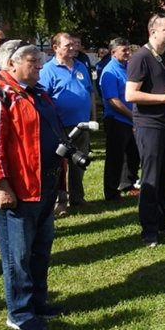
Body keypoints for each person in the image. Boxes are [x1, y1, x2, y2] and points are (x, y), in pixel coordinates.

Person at [0, 40, 65, 330]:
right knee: (18, 254)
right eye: (31, 60)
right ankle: (19, 311)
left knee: (41, 248)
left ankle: (38, 301)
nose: (39, 65)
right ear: (10, 63)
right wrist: (0, 185)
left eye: (39, 60)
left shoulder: (36, 93)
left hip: (44, 183)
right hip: (18, 189)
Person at [125, 13, 165, 247]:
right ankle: (149, 229)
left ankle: (163, 218)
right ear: (152, 32)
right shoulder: (140, 57)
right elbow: (131, 94)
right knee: (151, 177)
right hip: (150, 125)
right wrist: (164, 98)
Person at [39, 32, 96, 210]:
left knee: (80, 162)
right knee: (58, 165)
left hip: (82, 124)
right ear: (55, 48)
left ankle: (77, 198)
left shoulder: (80, 66)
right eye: (67, 45)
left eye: (73, 44)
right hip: (60, 126)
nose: (72, 48)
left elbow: (90, 92)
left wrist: (92, 116)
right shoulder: (48, 70)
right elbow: (43, 99)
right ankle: (59, 201)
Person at [99, 38, 140, 201]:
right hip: (117, 120)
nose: (128, 53)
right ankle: (111, 191)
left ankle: (127, 183)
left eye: (128, 50)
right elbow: (113, 100)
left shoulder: (127, 68)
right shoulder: (110, 71)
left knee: (132, 153)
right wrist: (132, 115)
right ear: (113, 52)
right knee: (115, 157)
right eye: (124, 50)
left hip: (130, 119)